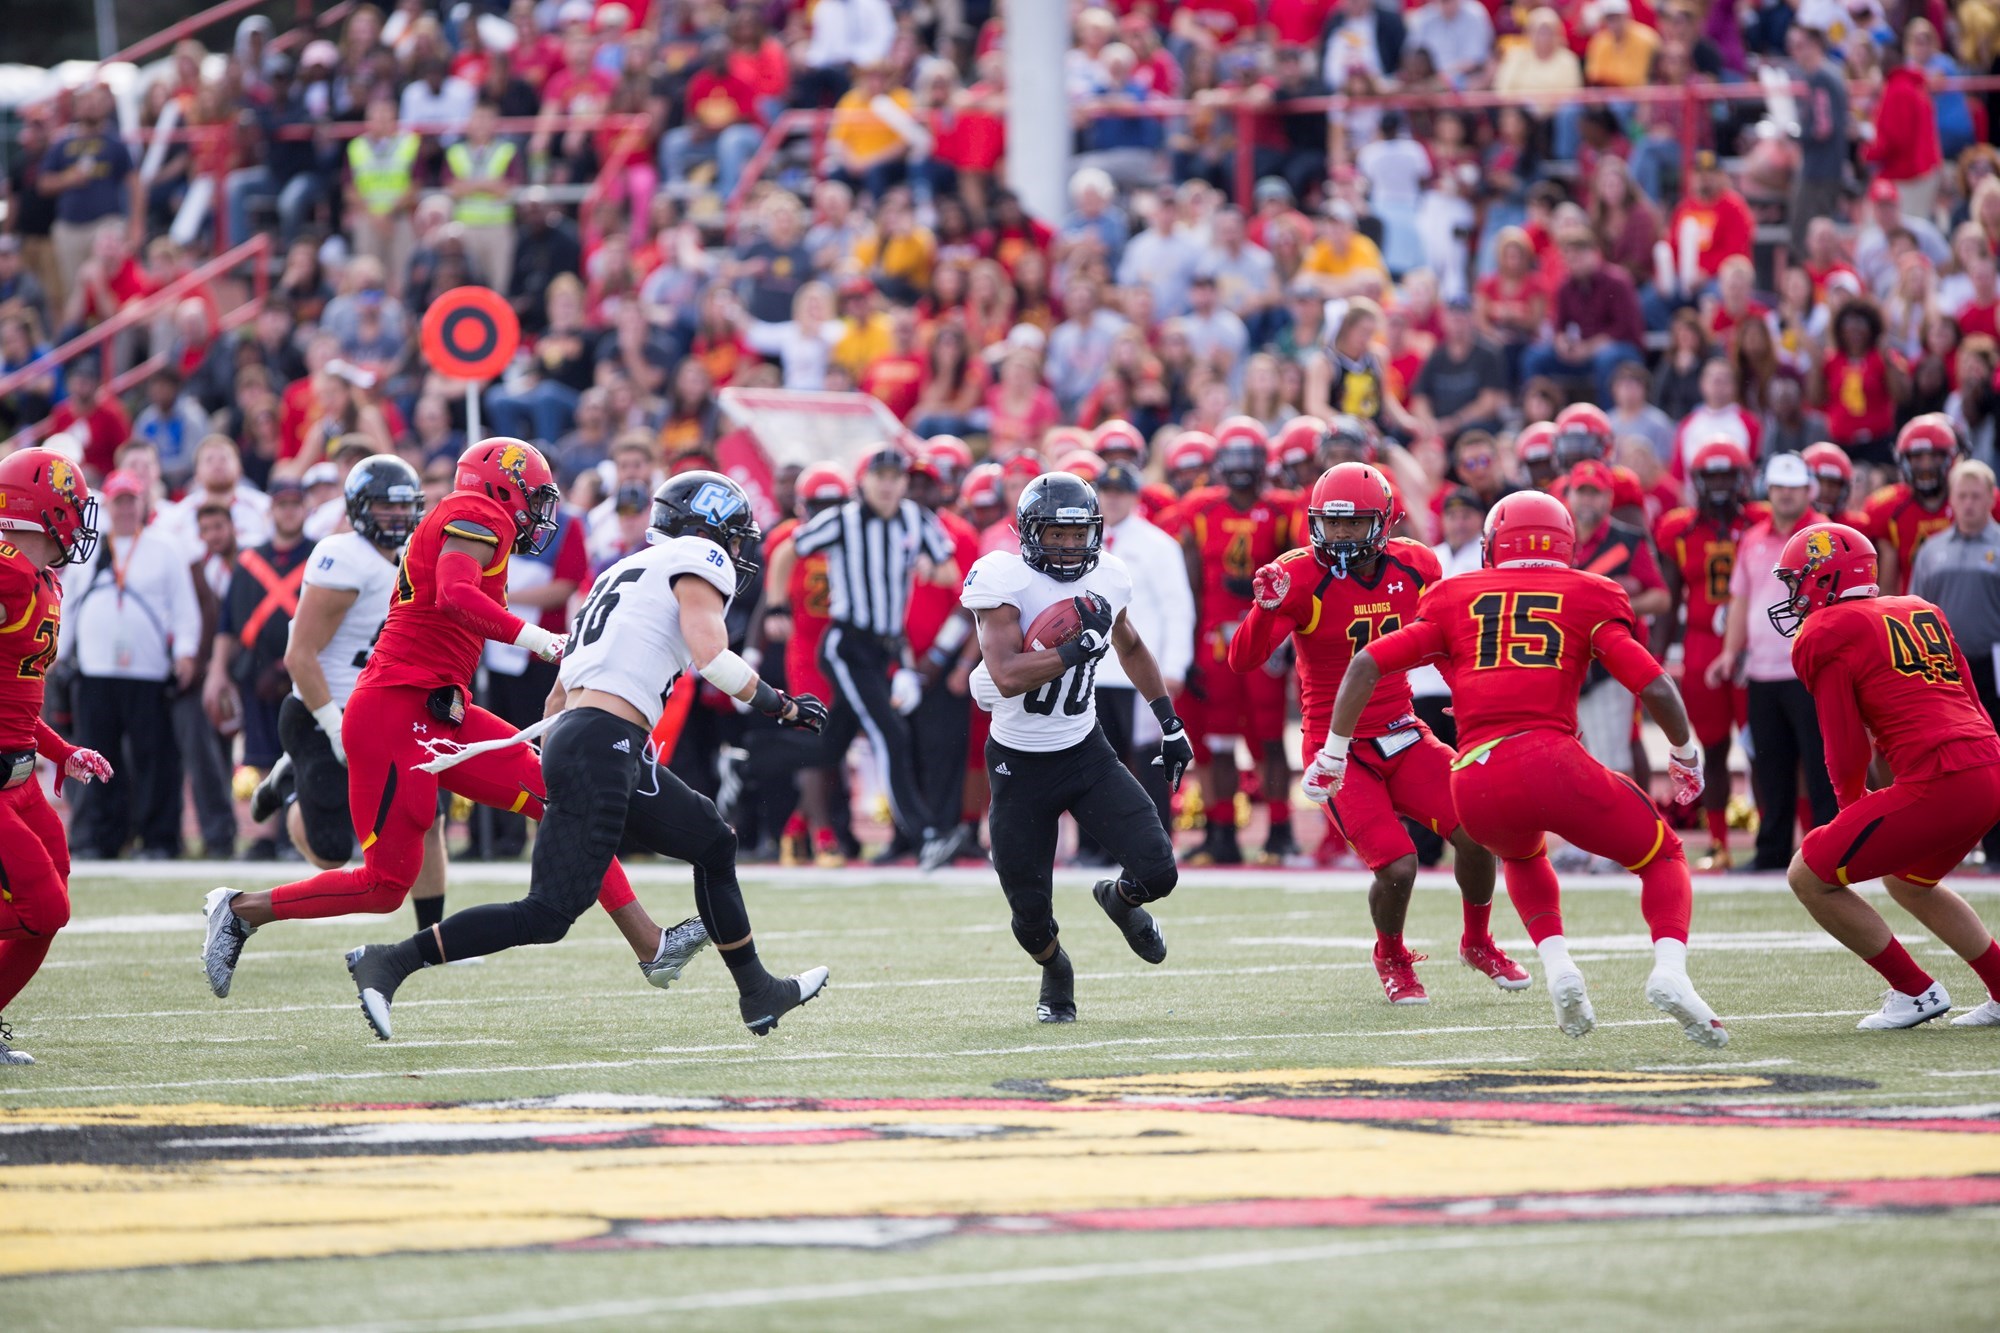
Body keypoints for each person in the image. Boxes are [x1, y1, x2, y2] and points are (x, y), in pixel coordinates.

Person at [346, 472, 830, 1040]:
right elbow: (714, 659)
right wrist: (782, 706)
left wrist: (581, 763)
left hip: (591, 738)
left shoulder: (621, 571)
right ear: (708, 530)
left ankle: (758, 993)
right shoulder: (698, 557)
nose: (739, 550)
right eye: (735, 535)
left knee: (713, 841)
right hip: (604, 743)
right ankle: (391, 961)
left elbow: (560, 692)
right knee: (548, 914)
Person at [200, 440, 682, 999]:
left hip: (440, 710)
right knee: (384, 886)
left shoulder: (473, 519)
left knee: (563, 798)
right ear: (503, 488)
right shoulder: (478, 513)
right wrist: (543, 641)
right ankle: (240, 911)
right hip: (393, 712)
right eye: (534, 497)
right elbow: (455, 594)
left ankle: (651, 944)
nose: (540, 512)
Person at [1320, 490, 1726, 1048]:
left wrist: (1333, 750)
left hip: (1475, 776)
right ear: (1566, 545)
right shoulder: (1589, 593)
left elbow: (1367, 662)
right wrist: (1684, 753)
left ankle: (1559, 966)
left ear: (1491, 547)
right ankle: (1671, 972)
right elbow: (1653, 683)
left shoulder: (1452, 596)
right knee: (1663, 855)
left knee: (1521, 851)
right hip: (1550, 756)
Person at [1235, 463, 1526, 1005]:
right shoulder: (1297, 576)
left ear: (1384, 522)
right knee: (1398, 864)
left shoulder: (1416, 564)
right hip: (1336, 749)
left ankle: (1478, 940)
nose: (1340, 536)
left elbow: (1446, 644)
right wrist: (1263, 608)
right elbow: (1244, 660)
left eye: (1353, 524)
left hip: (1403, 729)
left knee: (1479, 830)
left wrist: (1474, 702)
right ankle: (1391, 956)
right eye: (1332, 524)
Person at [961, 472, 1194, 1023]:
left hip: (1084, 749)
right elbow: (1007, 674)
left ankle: (1119, 899)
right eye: (1055, 535)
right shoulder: (1003, 577)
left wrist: (1170, 722)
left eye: (1077, 534)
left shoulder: (1109, 575)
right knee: (1029, 917)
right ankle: (1056, 968)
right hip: (1017, 763)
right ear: (1027, 532)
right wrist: (1075, 649)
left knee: (1159, 870)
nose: (1068, 546)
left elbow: (1131, 644)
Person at [1773, 521, 2000, 1030]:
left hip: (1941, 777)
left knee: (1808, 875)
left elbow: (1845, 744)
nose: (1792, 596)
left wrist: (1850, 808)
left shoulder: (1829, 632)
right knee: (1909, 882)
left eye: (1795, 582)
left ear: (1824, 577)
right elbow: (1972, 699)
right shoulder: (1919, 608)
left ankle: (1914, 990)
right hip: (1989, 765)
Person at [259, 458, 448, 927]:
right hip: (323, 710)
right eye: (385, 506)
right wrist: (335, 728)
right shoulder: (344, 557)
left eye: (405, 507)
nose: (397, 517)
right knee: (331, 855)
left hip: (386, 710)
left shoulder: (414, 557)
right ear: (360, 508)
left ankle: (435, 935)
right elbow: (299, 655)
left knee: (426, 817)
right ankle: (289, 787)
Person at [792, 446, 965, 869]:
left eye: (895, 477)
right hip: (848, 645)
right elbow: (787, 549)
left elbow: (952, 576)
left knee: (832, 741)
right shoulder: (842, 519)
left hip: (886, 648)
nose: (888, 485)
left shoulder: (916, 520)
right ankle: (925, 837)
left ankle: (756, 771)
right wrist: (777, 605)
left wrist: (930, 566)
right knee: (890, 734)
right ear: (864, 482)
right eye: (880, 477)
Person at [0, 449, 112, 1064]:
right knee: (40, 907)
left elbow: (15, 700)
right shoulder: (9, 573)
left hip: (20, 775)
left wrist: (61, 750)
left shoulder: (41, 579)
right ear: (42, 508)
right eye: (72, 504)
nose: (80, 518)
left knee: (52, 904)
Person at [56, 469, 201, 861]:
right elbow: (70, 604)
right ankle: (100, 838)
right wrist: (58, 651)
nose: (124, 509)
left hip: (147, 672)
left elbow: (184, 608)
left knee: (154, 758)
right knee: (94, 757)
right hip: (95, 670)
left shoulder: (165, 547)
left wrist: (185, 653)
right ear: (108, 506)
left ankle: (157, 839)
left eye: (130, 500)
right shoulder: (89, 552)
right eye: (117, 501)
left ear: (142, 504)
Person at [1177, 419, 1301, 865]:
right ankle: (1223, 831)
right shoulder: (1199, 510)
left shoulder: (1284, 510)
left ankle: (1281, 829)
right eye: (1235, 458)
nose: (1243, 468)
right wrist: (1185, 646)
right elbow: (1189, 583)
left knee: (1269, 738)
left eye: (1251, 458)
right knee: (1221, 740)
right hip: (1213, 640)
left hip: (1262, 633)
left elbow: (1298, 570)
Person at [1708, 452, 1837, 870]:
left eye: (1793, 487)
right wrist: (1729, 653)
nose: (1784, 495)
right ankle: (1772, 852)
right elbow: (1741, 600)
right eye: (1778, 487)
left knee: (1822, 766)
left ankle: (1830, 850)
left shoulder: (1826, 536)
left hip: (1811, 669)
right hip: (1762, 670)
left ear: (1808, 490)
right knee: (1771, 767)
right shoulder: (1752, 538)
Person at [1654, 440, 1766, 869]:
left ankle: (1775, 838)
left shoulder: (1763, 521)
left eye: (1726, 475)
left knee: (1764, 748)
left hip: (1754, 642)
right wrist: (1658, 656)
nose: (1719, 485)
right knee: (1713, 748)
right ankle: (1719, 844)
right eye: (1712, 476)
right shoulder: (1678, 530)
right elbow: (1669, 599)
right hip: (1702, 645)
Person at [204, 479, 314, 849]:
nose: (288, 511)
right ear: (271, 511)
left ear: (305, 509)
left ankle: (298, 833)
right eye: (282, 504)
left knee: (305, 751)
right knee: (263, 753)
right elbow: (228, 626)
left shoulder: (322, 556)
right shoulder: (249, 561)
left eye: (295, 504)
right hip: (257, 671)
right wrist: (218, 671)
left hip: (309, 671)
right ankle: (266, 835)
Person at [1091, 461, 1195, 837]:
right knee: (1097, 762)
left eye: (1120, 493)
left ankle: (1155, 838)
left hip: (1138, 672)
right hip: (1093, 671)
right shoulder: (1084, 540)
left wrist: (1174, 666)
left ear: (1134, 497)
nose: (1112, 500)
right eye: (1106, 492)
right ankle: (1098, 844)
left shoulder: (1157, 544)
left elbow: (1177, 608)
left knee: (1148, 758)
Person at [1909, 459, 2000, 867]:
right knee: (1949, 753)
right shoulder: (1932, 551)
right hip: (1943, 668)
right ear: (1952, 500)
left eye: (1975, 495)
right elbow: (1913, 610)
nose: (1967, 503)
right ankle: (1949, 848)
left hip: (1994, 662)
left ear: (1990, 499)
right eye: (1961, 495)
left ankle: (1997, 848)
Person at [1564, 460, 1668, 788]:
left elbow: (1661, 598)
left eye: (1595, 494)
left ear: (1609, 498)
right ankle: (1582, 838)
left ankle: (1623, 835)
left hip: (1610, 663)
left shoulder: (1629, 539)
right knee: (1571, 758)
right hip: (1564, 661)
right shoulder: (1557, 538)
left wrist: (1614, 604)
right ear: (1569, 495)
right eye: (1582, 492)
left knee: (1613, 760)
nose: (1588, 501)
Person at [1866, 413, 1969, 596]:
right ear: (1903, 460)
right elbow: (1888, 586)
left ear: (1951, 457)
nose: (1926, 465)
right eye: (1917, 457)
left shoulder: (1972, 497)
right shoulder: (1888, 507)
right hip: (1913, 611)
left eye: (1934, 456)